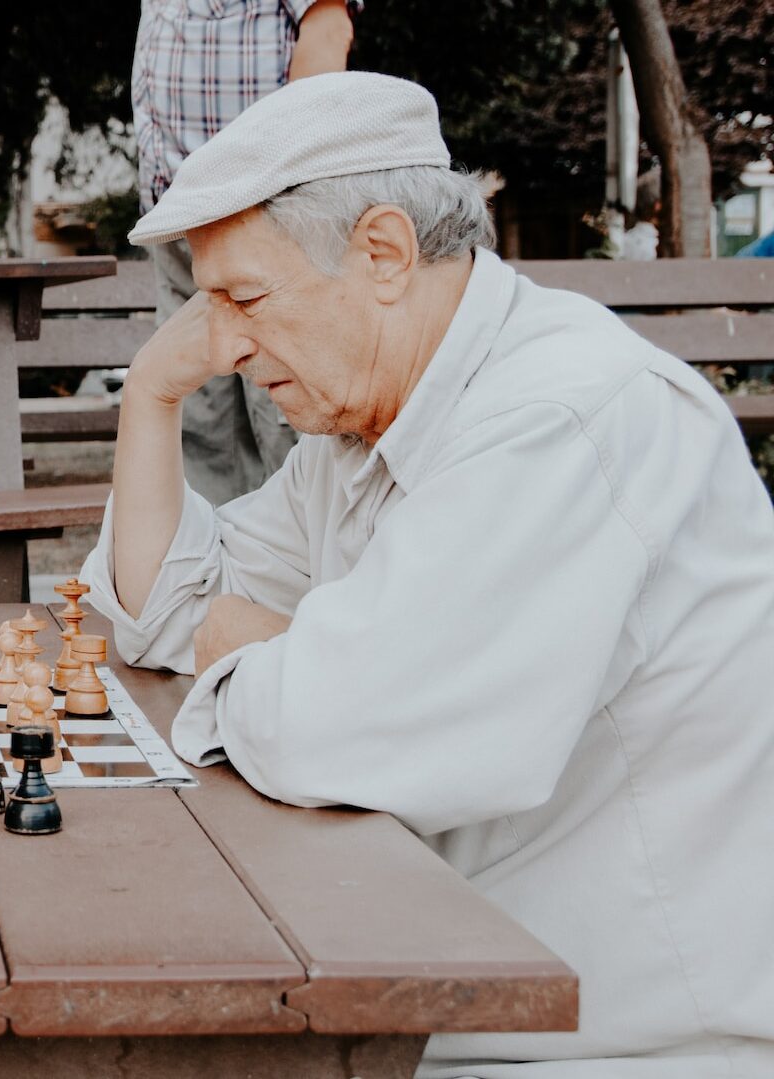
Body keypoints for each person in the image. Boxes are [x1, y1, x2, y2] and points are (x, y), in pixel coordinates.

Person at [79, 71, 774, 1076]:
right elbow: (163, 618)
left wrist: (266, 646)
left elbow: (335, 730)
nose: (224, 344)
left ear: (384, 254)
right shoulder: (365, 422)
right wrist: (149, 393)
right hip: (447, 987)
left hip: (620, 1036)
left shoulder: (561, 419)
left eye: (246, 297)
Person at [132, 0, 357, 505]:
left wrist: (290, 182)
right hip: (177, 219)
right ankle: (213, 575)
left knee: (286, 412)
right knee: (198, 415)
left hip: (262, 210)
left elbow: (326, 30)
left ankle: (312, 572)